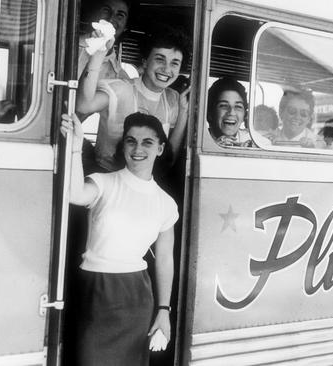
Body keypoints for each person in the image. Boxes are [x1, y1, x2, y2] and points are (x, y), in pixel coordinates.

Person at [61, 112, 178, 366]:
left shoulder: (166, 204)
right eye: (131, 141)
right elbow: (75, 194)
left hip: (135, 295)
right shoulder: (103, 183)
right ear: (123, 145)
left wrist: (163, 311)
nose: (138, 148)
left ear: (160, 148)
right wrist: (74, 147)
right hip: (94, 289)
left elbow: (165, 259)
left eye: (147, 142)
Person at [76, 25, 191, 173]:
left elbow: (169, 159)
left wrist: (183, 113)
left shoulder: (174, 100)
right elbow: (83, 106)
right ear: (145, 61)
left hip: (146, 183)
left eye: (174, 63)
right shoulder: (121, 89)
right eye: (160, 59)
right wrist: (99, 54)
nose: (167, 69)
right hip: (105, 177)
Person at [77, 0, 137, 81]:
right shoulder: (71, 47)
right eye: (106, 10)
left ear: (125, 27)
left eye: (120, 15)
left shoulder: (119, 75)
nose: (111, 19)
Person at [206, 77, 252, 147]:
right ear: (210, 113)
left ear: (244, 115)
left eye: (238, 106)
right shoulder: (199, 138)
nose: (231, 112)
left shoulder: (251, 139)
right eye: (224, 106)